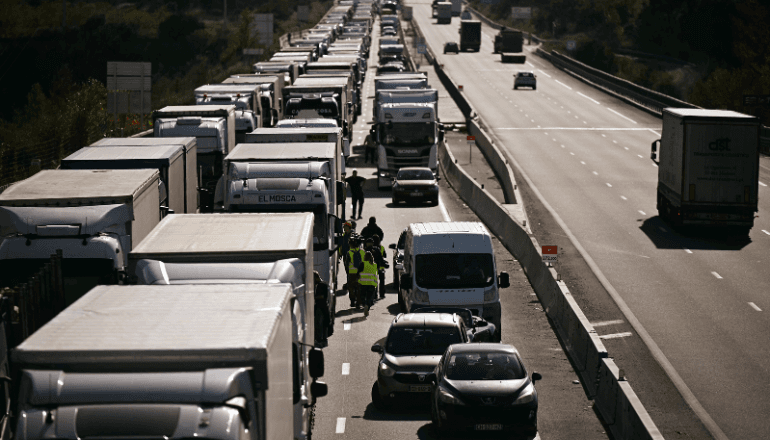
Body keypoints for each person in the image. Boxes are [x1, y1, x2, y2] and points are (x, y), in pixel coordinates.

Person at [345, 235, 365, 308]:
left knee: (351, 288)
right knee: (359, 288)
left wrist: (348, 271)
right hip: (361, 273)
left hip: (351, 273)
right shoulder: (362, 252)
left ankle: (352, 301)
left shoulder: (349, 253)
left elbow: (347, 264)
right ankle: (358, 303)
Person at [357, 251, 379, 317]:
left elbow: (358, 272)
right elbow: (376, 275)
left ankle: (364, 305)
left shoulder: (363, 264)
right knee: (370, 298)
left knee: (362, 296)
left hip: (363, 283)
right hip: (372, 284)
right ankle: (367, 306)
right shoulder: (375, 265)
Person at [313, 271, 331, 347]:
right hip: (323, 307)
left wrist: (313, 297)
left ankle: (321, 340)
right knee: (323, 324)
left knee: (320, 324)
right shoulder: (322, 284)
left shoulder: (321, 285)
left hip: (321, 307)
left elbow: (322, 297)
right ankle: (322, 340)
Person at [372, 235, 388, 299]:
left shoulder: (372, 248)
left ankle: (375, 294)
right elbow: (385, 255)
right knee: (382, 281)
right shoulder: (381, 247)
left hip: (374, 267)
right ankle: (382, 294)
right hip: (381, 267)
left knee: (374, 281)